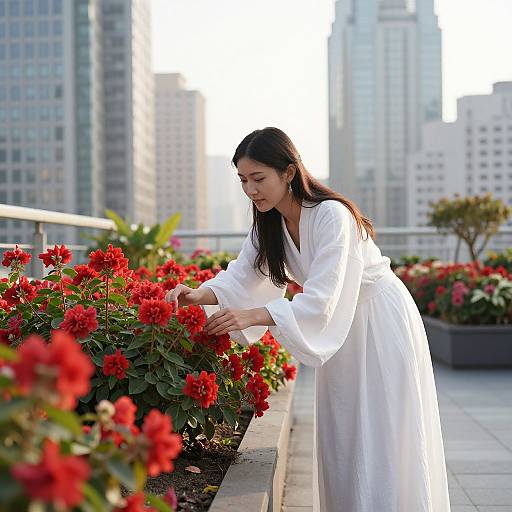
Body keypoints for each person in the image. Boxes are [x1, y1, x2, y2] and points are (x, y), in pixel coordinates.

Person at [165, 127, 451, 512]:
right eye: (243, 180)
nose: (251, 190)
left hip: (378, 320)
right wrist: (195, 294)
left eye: (259, 178)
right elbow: (242, 276)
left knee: (383, 432)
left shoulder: (332, 215)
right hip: (340, 330)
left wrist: (253, 315)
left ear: (288, 172)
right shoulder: (268, 224)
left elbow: (324, 297)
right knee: (343, 433)